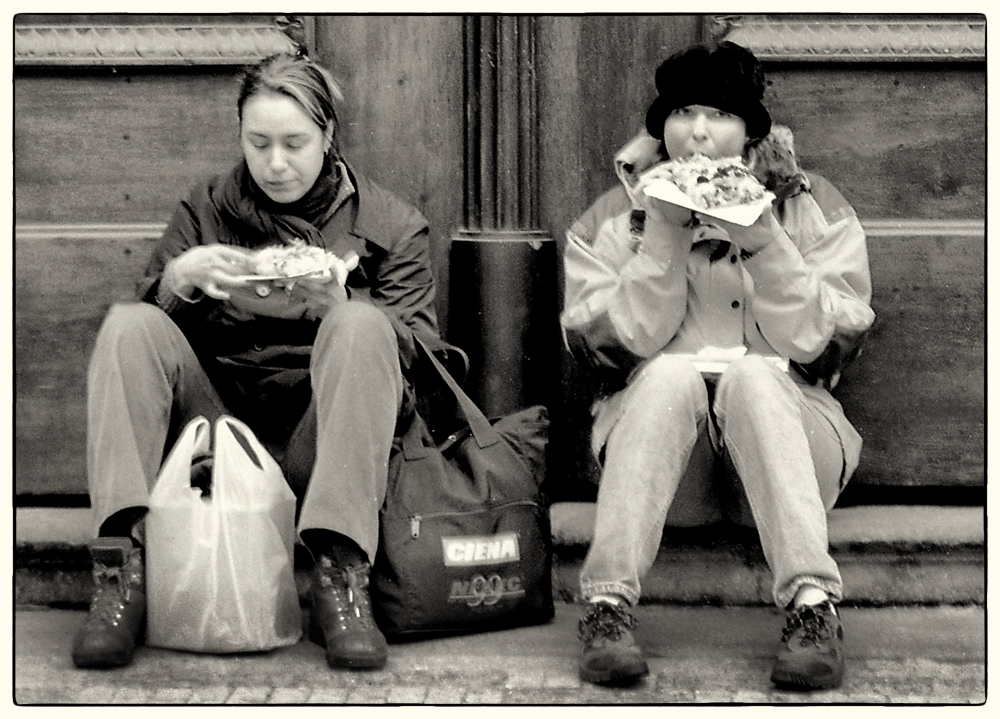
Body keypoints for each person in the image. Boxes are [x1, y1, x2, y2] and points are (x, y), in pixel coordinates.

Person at [71, 51, 457, 672]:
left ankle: (340, 578)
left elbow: (427, 362)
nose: (276, 163)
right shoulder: (205, 208)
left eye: (294, 144)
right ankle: (120, 571)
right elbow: (146, 347)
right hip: (218, 437)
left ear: (328, 136)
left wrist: (343, 304)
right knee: (128, 325)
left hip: (324, 443)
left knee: (361, 324)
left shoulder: (391, 224)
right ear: (240, 136)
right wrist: (177, 280)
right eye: (259, 143)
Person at [560, 40, 875, 690]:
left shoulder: (808, 203)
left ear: (751, 130)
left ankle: (813, 608)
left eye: (719, 115)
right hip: (667, 474)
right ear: (662, 124)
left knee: (757, 374)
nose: (698, 132)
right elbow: (607, 349)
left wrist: (764, 241)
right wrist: (663, 236)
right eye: (683, 113)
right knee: (668, 373)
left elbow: (831, 343)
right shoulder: (615, 215)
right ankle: (607, 608)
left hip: (790, 454)